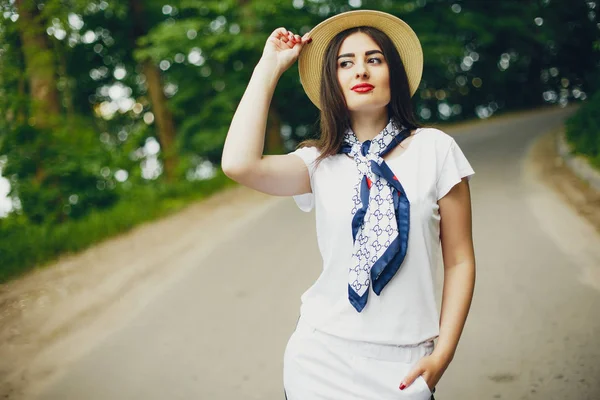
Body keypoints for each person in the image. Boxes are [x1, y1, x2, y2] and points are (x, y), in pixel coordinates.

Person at [222, 9, 476, 400]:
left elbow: (459, 260)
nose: (360, 71)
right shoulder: (317, 162)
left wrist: (443, 355)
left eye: (374, 59)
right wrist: (269, 66)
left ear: (395, 74)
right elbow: (238, 164)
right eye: (346, 63)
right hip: (320, 357)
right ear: (333, 82)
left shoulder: (436, 150)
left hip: (405, 367)